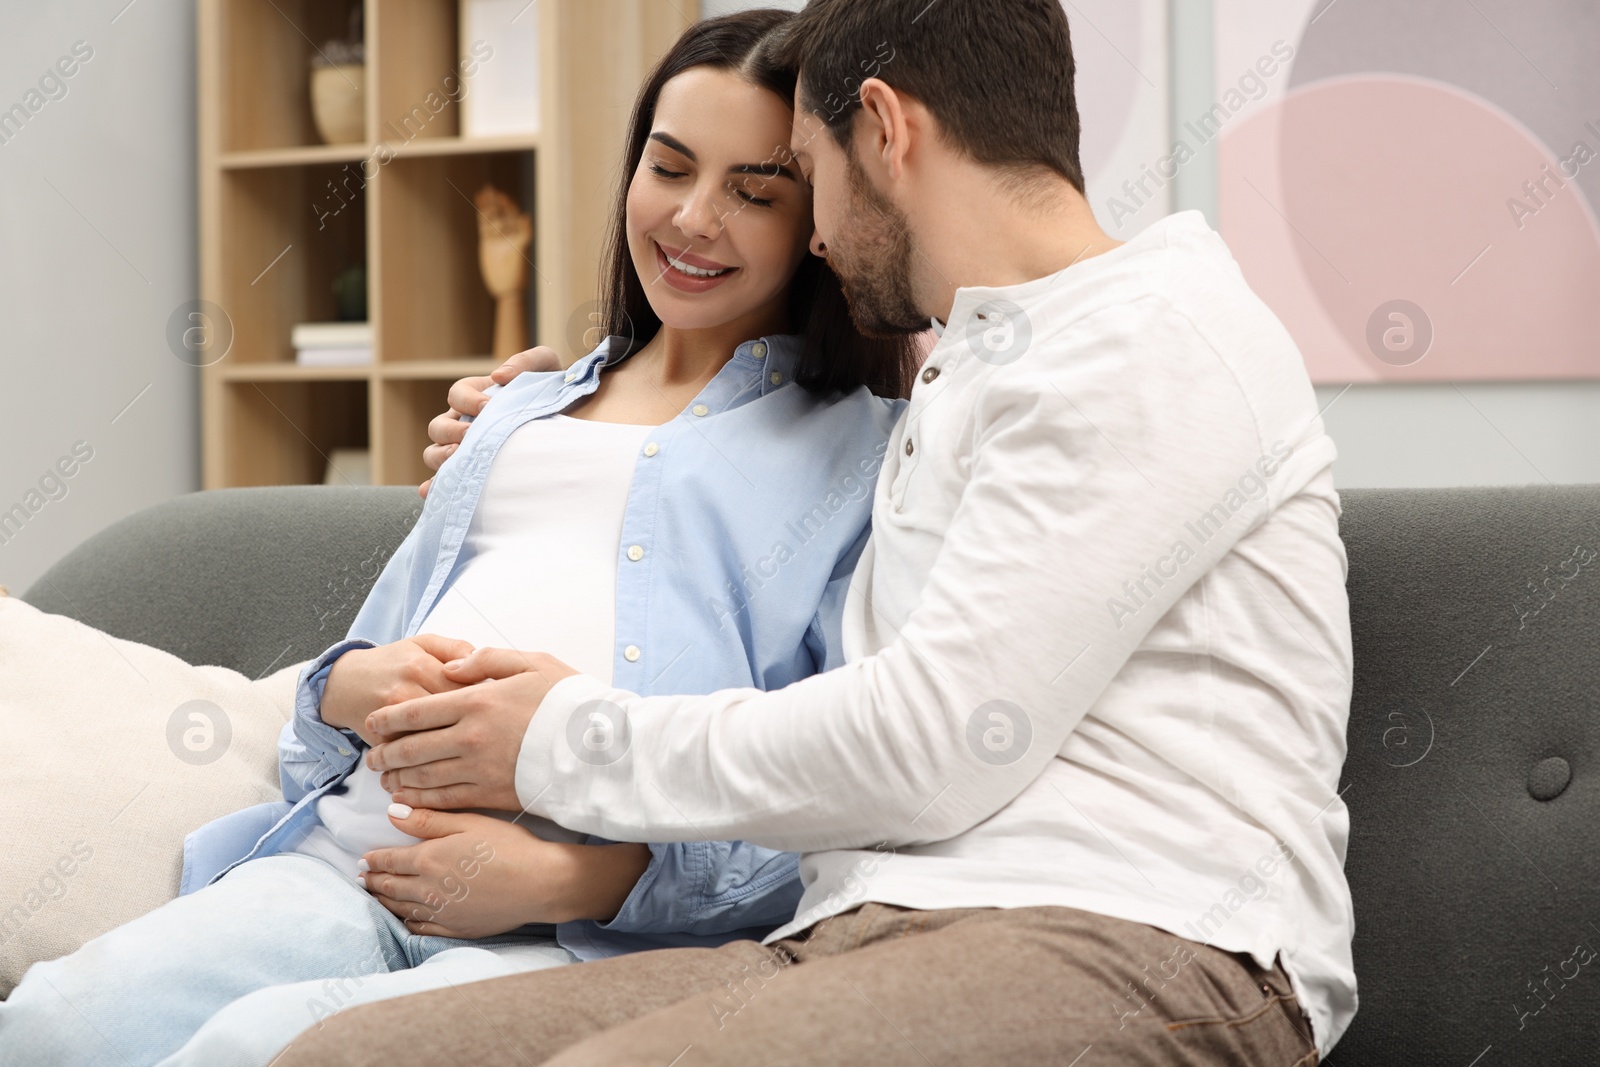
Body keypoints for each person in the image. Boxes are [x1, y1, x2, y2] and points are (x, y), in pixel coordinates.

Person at [271, 1, 1357, 1065]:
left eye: (799, 172)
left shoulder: (1147, 342)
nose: (816, 237)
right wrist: (558, 413)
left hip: (1140, 939)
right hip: (860, 928)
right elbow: (734, 480)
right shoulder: (973, 368)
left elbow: (935, 743)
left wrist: (556, 739)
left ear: (883, 129)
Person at [0, 12, 921, 1066]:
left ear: (824, 219)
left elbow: (851, 781)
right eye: (668, 168)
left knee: (253, 1047)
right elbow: (334, 700)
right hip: (344, 862)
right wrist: (345, 688)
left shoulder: (866, 457)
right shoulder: (515, 414)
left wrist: (582, 880)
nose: (694, 219)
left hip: (569, 923)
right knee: (54, 1020)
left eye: (754, 193)